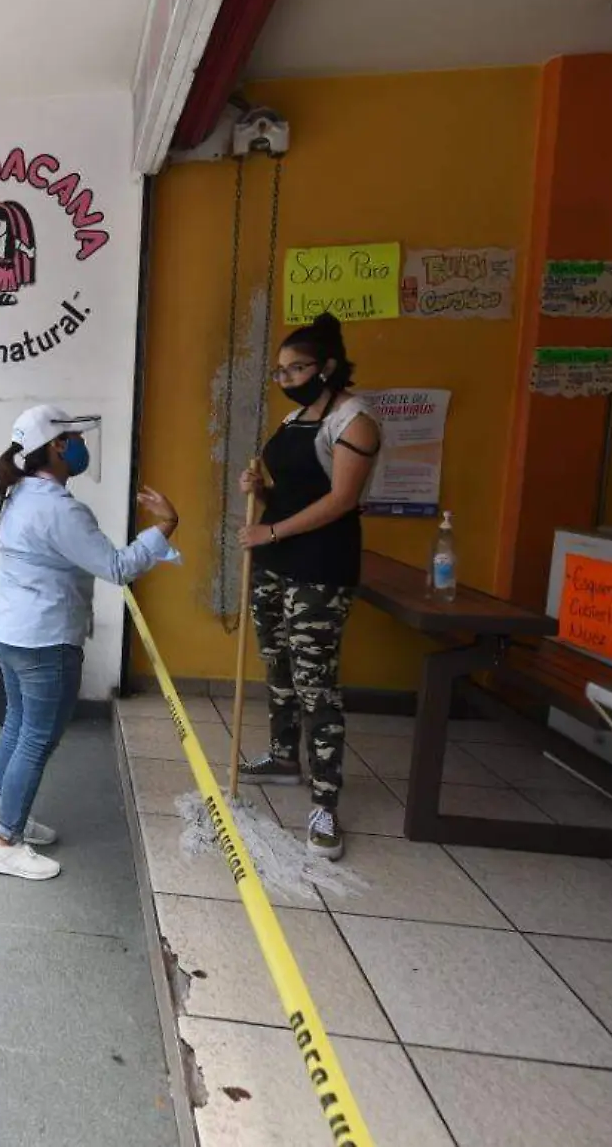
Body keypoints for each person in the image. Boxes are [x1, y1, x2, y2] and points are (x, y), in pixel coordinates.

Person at [0, 405, 180, 881]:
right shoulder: (59, 508)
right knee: (37, 736)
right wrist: (165, 527)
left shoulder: (19, 494)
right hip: (43, 640)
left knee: (18, 724)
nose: (79, 443)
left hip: (10, 630)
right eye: (71, 436)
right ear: (54, 447)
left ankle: (4, 815)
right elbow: (115, 567)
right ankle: (6, 841)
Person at [235, 313, 381, 862]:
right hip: (275, 560)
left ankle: (325, 802)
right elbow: (292, 495)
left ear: (329, 366)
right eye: (281, 371)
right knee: (277, 666)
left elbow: (341, 500)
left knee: (315, 682)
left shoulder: (354, 421)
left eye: (297, 368)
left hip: (320, 566)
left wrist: (271, 527)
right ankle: (282, 757)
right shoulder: (296, 418)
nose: (288, 378)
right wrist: (263, 491)